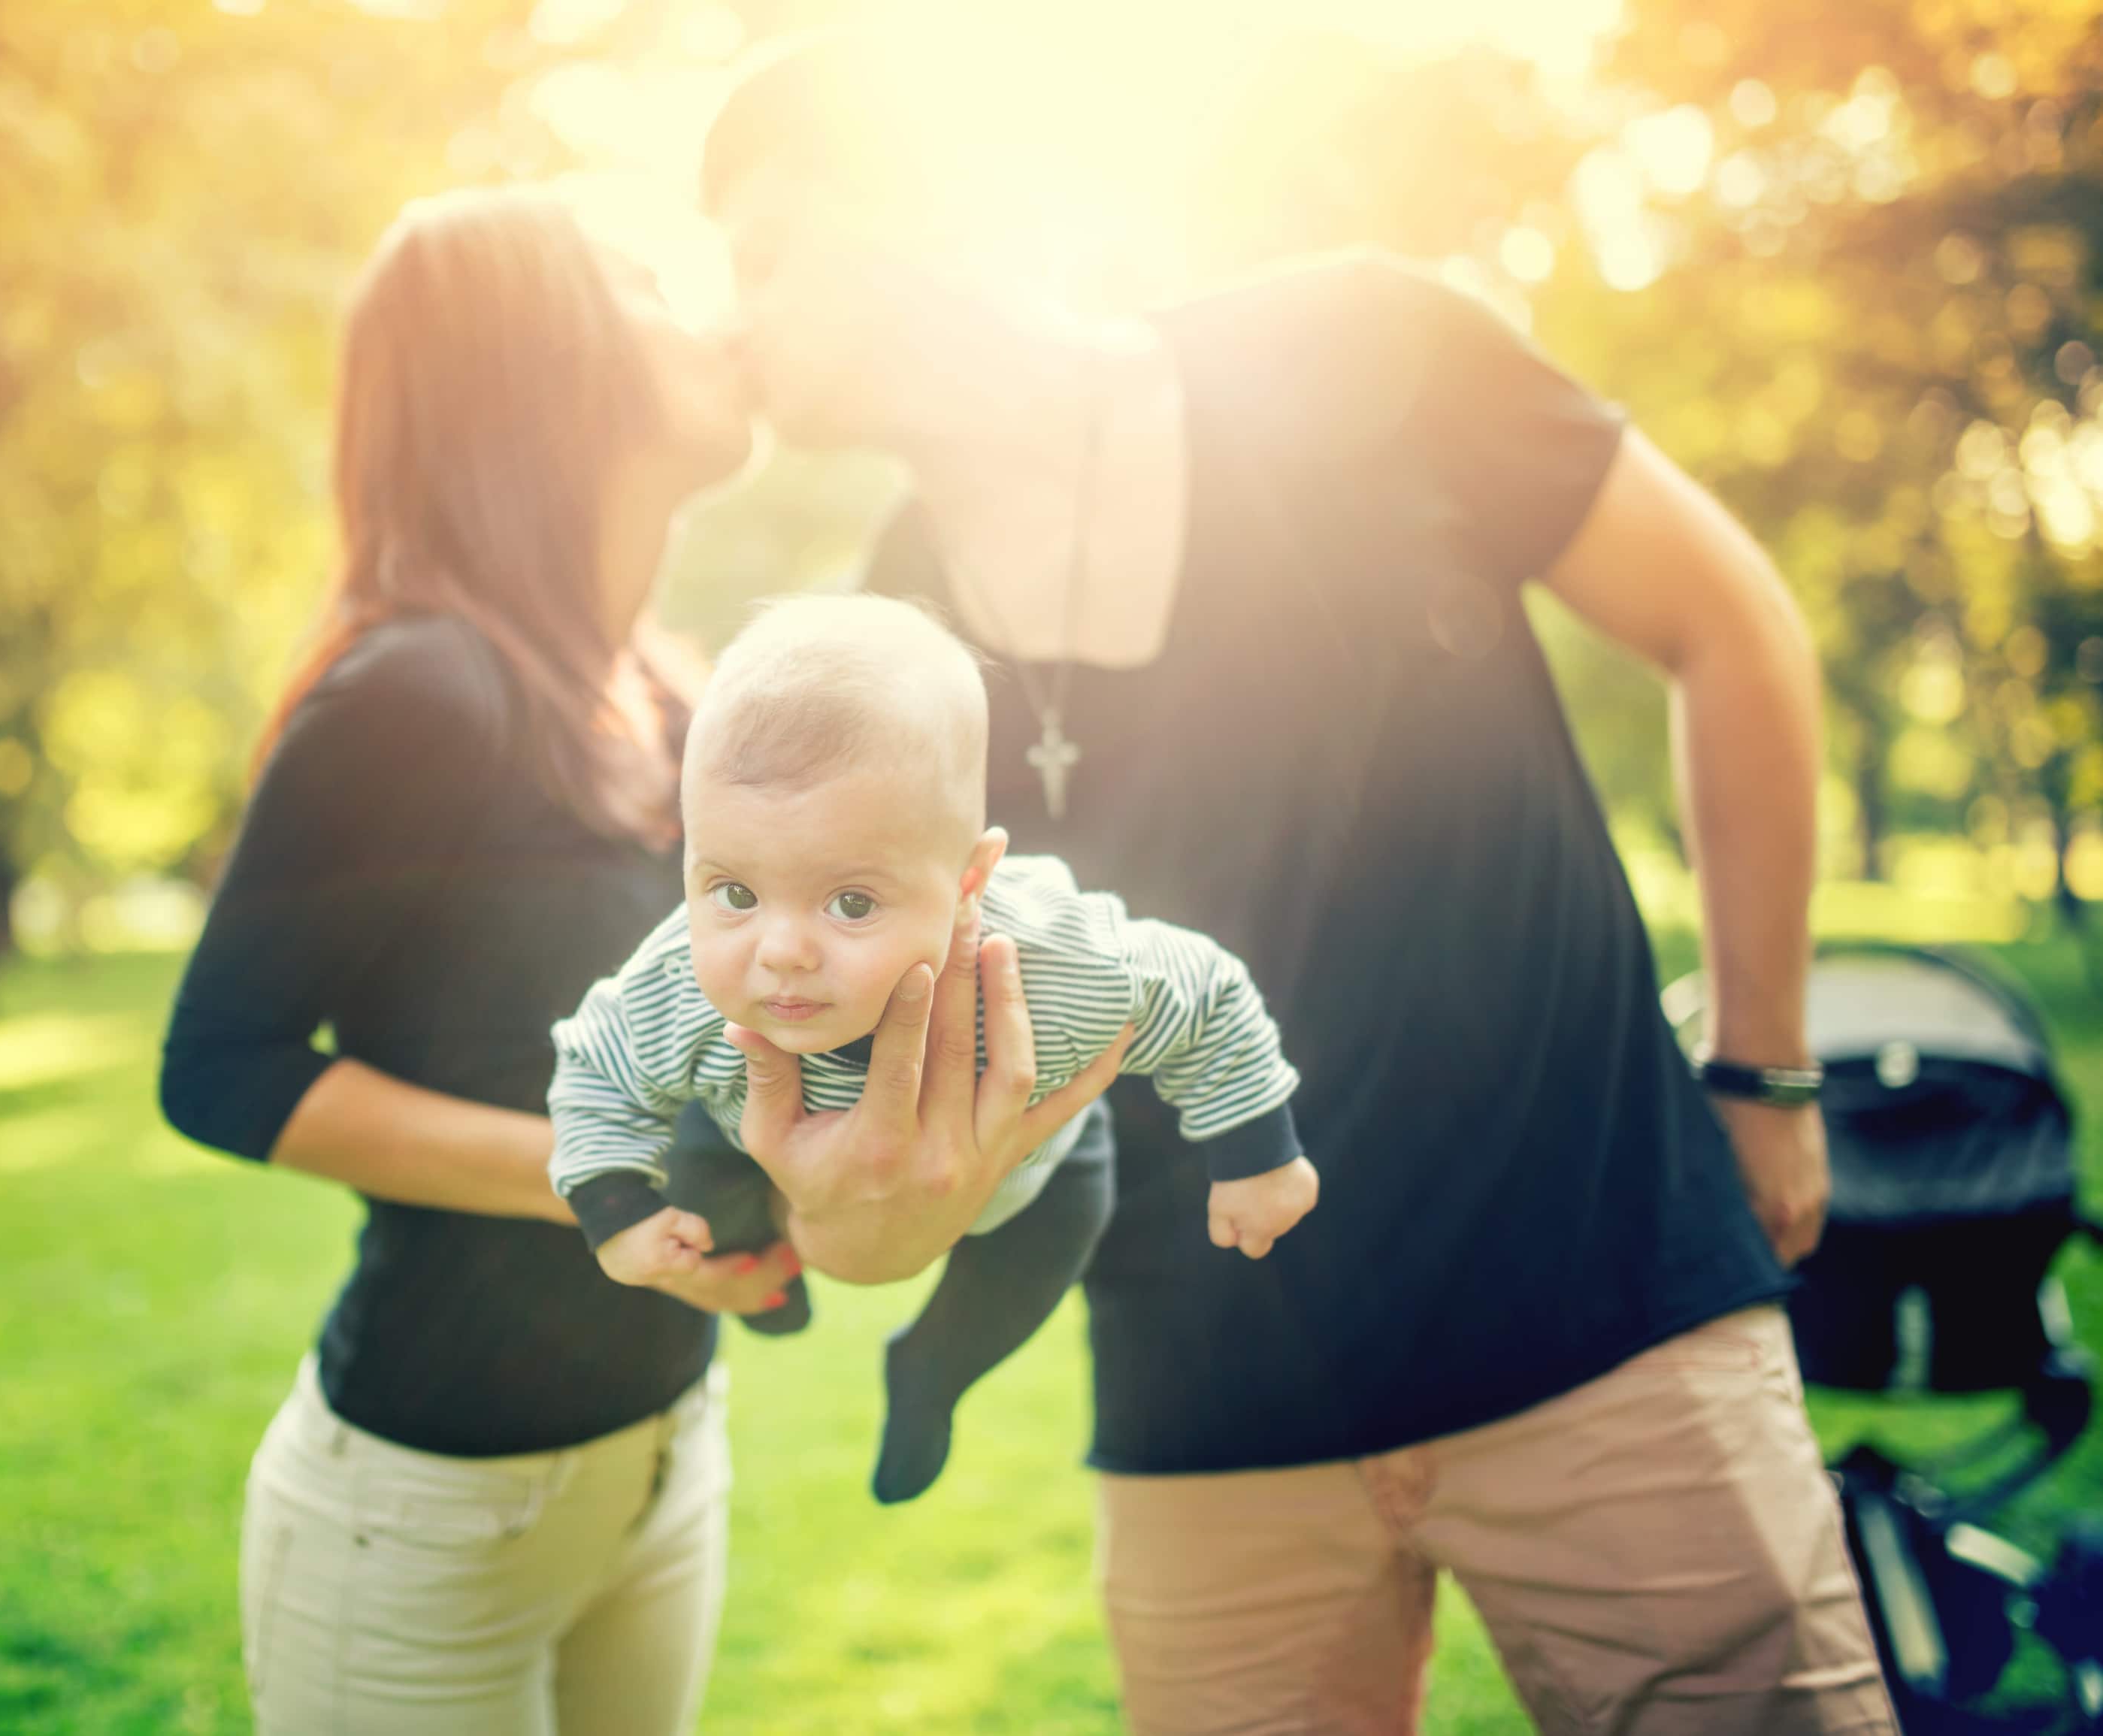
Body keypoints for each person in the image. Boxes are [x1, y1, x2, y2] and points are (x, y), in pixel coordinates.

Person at [694, 38, 1896, 1736]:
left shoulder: (1362, 343)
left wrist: (1764, 1069)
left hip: (1608, 1321)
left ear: (911, 199)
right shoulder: (883, 643)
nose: (730, 323)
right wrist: (850, 1209)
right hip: (1212, 1428)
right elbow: (917, 1144)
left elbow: (1732, 629)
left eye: (761, 253)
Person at [155, 188, 796, 1736]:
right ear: (541, 362)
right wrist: (606, 1170)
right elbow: (218, 1071)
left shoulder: (663, 695)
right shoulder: (418, 692)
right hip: (426, 1516)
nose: (702, 312)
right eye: (639, 278)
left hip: (661, 1455)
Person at [547, 594, 1315, 1502]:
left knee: (1050, 1243)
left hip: (1033, 1161)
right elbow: (597, 1061)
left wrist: (1256, 1155)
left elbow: (1202, 989)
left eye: (852, 903)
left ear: (969, 879)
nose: (780, 951)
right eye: (733, 890)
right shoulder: (680, 982)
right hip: (747, 1129)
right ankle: (770, 1277)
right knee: (701, 1178)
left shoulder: (1058, 965)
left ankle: (934, 1373)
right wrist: (615, 1212)